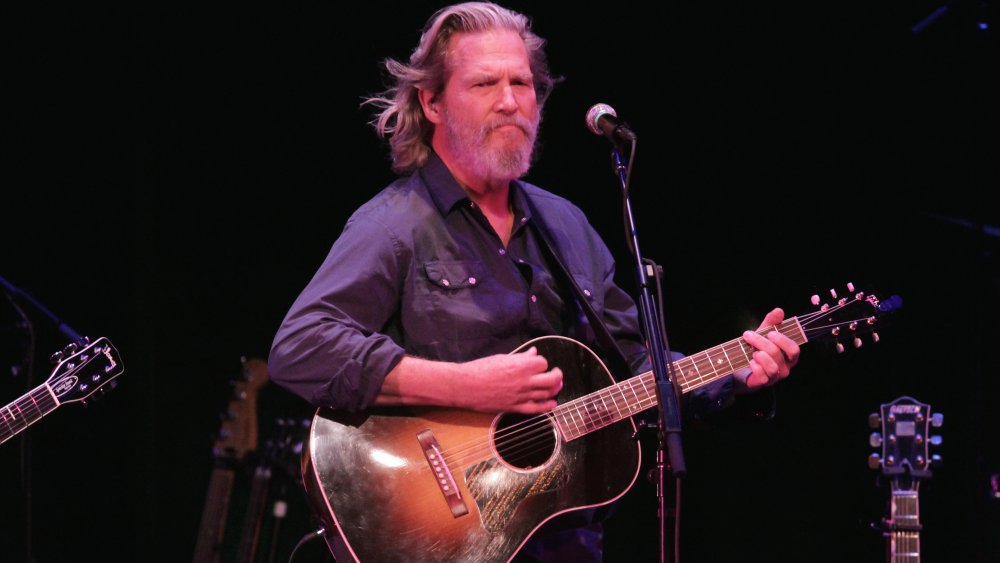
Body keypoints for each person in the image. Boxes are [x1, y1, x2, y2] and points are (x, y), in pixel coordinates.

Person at [268, 2, 799, 561]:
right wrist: (466, 386)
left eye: (521, 82)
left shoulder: (565, 225)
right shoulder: (393, 224)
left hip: (566, 544)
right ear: (432, 102)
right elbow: (301, 348)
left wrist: (736, 375)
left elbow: (635, 370)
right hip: (442, 539)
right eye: (484, 83)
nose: (509, 101)